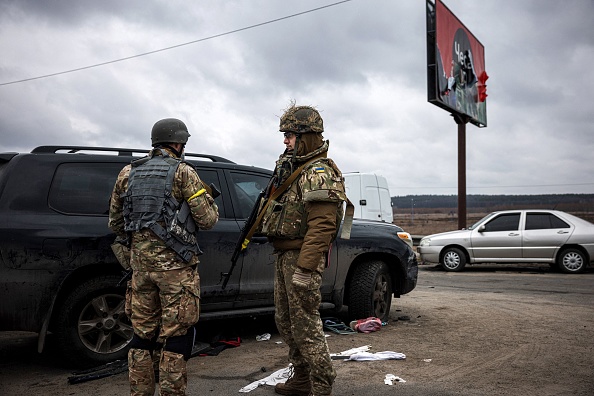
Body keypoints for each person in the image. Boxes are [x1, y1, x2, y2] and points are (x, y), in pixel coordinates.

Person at [108, 118, 219, 396]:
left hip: (140, 271)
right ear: (179, 143)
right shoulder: (183, 172)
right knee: (175, 338)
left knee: (141, 337)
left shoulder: (127, 173)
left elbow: (115, 223)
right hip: (176, 272)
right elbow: (207, 220)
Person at [259, 103, 348, 396]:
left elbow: (322, 226)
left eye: (290, 135)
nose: (285, 140)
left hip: (301, 258)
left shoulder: (318, 172)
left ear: (306, 136)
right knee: (286, 322)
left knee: (305, 325)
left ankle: (321, 385)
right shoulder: (294, 169)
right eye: (285, 135)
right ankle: (301, 379)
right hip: (285, 255)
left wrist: (306, 268)